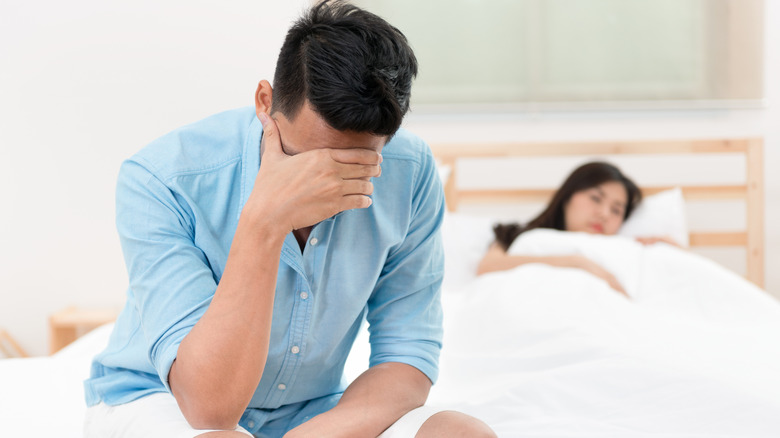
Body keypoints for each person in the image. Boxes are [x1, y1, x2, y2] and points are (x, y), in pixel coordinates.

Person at [83, 2, 495, 437]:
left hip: (310, 412)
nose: (325, 187)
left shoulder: (408, 171)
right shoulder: (163, 179)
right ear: (265, 102)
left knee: (461, 432)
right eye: (306, 164)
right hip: (164, 400)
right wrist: (265, 221)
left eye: (355, 168)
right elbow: (210, 409)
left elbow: (407, 356)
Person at [477, 161, 678, 296]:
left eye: (616, 210)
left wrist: (671, 248)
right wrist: (576, 262)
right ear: (567, 197)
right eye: (596, 199)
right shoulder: (515, 235)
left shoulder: (625, 249)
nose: (604, 214)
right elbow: (488, 267)